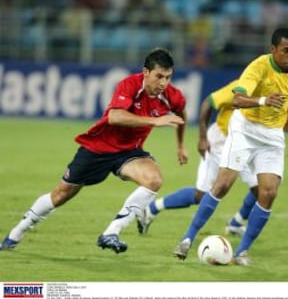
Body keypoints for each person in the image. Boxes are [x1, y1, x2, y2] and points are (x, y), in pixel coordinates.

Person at [0, 48, 188, 254]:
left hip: (129, 153)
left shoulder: (172, 96)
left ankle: (111, 233)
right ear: (146, 72)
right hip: (98, 149)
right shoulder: (129, 84)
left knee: (154, 180)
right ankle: (16, 233)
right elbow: (115, 117)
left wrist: (180, 145)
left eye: (168, 77)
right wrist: (155, 120)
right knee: (61, 194)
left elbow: (180, 114)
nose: (163, 83)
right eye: (159, 76)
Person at [172, 28, 288, 266]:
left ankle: (242, 251)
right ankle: (187, 238)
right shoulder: (258, 68)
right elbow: (237, 100)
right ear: (273, 49)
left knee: (269, 192)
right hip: (245, 129)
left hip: (273, 135)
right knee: (223, 184)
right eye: (286, 51)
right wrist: (263, 99)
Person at [137, 80, 288, 237]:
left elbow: (273, 121)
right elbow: (208, 103)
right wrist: (203, 138)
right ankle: (151, 209)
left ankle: (236, 223)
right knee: (201, 195)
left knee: (260, 189)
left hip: (248, 143)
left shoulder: (270, 93)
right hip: (220, 142)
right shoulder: (240, 87)